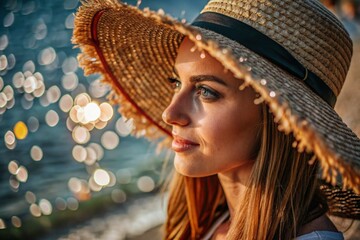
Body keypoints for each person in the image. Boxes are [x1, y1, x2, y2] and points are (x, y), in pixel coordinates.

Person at [72, 0, 360, 239]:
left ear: (279, 117)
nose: (170, 113)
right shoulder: (212, 221)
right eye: (176, 83)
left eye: (206, 91)